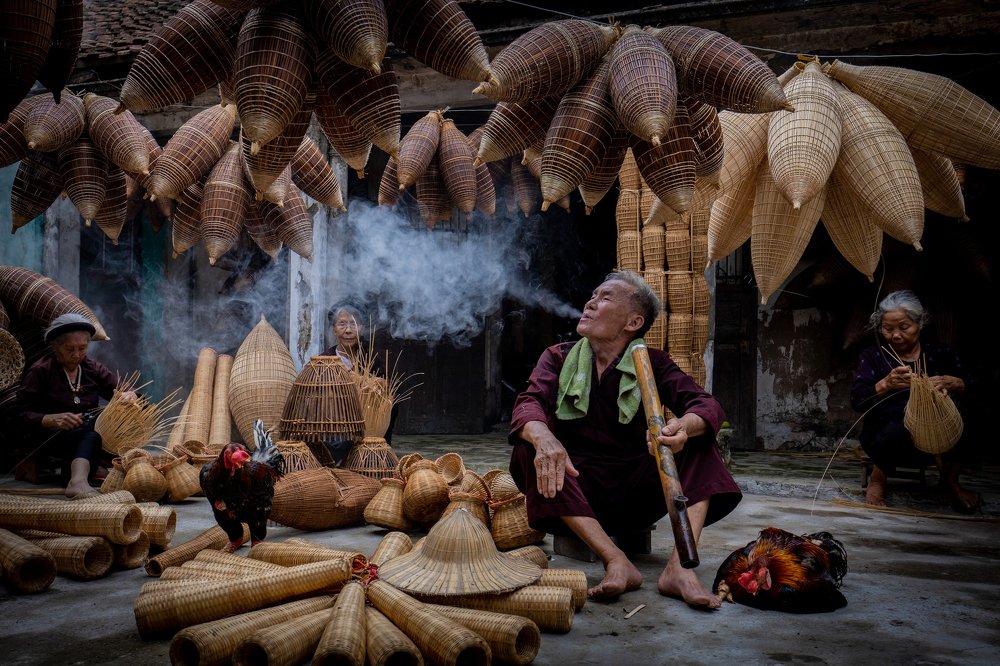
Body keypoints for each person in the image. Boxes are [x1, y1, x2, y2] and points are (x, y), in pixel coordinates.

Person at [508, 270, 742, 606]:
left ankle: (679, 568)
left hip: (636, 494)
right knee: (527, 447)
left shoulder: (653, 363)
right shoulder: (558, 357)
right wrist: (544, 437)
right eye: (593, 295)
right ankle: (616, 560)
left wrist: (682, 429)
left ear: (633, 322)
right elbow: (528, 403)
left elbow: (705, 404)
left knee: (701, 440)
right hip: (574, 497)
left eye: (605, 298)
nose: (590, 303)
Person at [850, 290, 980, 512]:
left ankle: (950, 480)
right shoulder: (873, 355)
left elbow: (977, 386)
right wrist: (885, 384)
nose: (896, 335)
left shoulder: (940, 353)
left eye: (904, 327)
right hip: (891, 438)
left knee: (976, 419)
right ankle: (879, 476)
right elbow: (857, 400)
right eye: (888, 329)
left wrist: (957, 383)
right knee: (899, 425)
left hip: (940, 435)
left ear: (920, 323)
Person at [17, 313, 133, 498]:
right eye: (69, 348)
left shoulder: (91, 368)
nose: (77, 354)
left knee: (98, 429)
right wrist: (50, 419)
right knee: (89, 434)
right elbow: (19, 414)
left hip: (86, 435)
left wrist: (129, 395)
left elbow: (122, 388)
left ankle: (78, 475)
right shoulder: (41, 371)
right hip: (48, 437)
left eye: (82, 348)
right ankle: (78, 482)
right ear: (54, 346)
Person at [322, 304, 398, 445]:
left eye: (354, 324)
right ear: (334, 330)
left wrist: (378, 383)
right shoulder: (326, 359)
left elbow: (387, 384)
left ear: (361, 328)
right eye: (342, 324)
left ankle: (378, 446)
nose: (349, 330)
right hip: (337, 423)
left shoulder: (369, 357)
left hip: (367, 423)